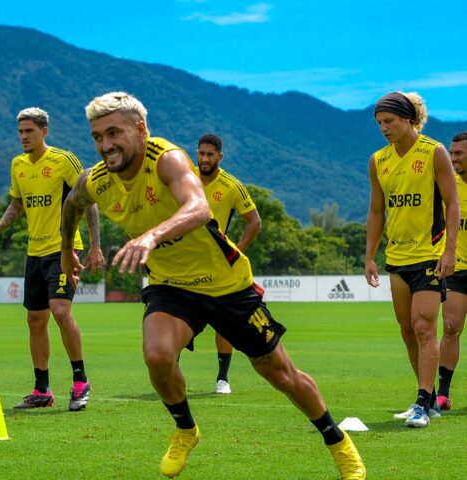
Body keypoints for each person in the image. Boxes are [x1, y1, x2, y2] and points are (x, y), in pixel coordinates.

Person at [61, 92, 365, 479]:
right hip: (171, 285)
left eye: (114, 133)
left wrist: (151, 237)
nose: (105, 145)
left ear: (140, 129)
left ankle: (337, 441)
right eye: (97, 137)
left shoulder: (166, 159)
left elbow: (198, 208)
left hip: (225, 284)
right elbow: (71, 204)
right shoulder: (97, 180)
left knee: (279, 372)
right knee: (157, 356)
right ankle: (186, 430)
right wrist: (67, 252)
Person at [0, 107, 102, 411]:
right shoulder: (18, 165)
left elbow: (88, 201)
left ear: (44, 131)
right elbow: (16, 205)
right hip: (33, 253)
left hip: (63, 250)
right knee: (35, 320)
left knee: (60, 312)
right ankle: (42, 389)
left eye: (29, 131)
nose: (23, 136)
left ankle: (80, 381)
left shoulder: (64, 160)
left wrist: (95, 245)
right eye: (20, 131)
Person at [365, 92, 459, 428]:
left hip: (429, 257)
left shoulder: (434, 152)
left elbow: (452, 204)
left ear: (408, 119)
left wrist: (449, 251)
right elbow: (377, 211)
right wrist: (369, 256)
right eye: (379, 123)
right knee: (407, 331)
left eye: (389, 121)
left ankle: (421, 402)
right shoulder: (378, 161)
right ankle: (429, 399)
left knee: (423, 327)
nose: (383, 128)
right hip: (396, 259)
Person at [195, 134, 261, 394]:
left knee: (223, 322)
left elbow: (254, 222)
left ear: (220, 157)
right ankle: (170, 372)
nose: (205, 159)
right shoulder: (185, 178)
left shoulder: (231, 185)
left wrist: (235, 252)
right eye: (201, 153)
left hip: (218, 265)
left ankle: (222, 378)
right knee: (175, 318)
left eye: (210, 154)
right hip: (184, 262)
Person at [437, 131, 467, 410]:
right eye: (451, 153)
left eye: (458, 153)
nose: (453, 158)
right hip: (457, 268)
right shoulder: (450, 187)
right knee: (450, 327)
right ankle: (443, 394)